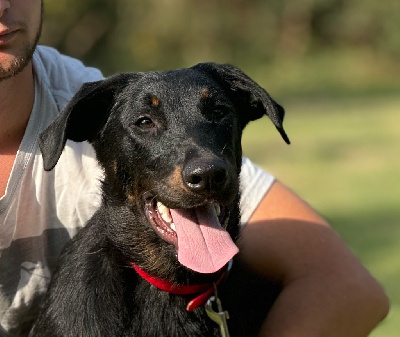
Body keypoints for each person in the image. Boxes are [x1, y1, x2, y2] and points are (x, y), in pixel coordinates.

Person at [0, 1, 389, 336]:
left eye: (217, 114)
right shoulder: (101, 107)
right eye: (145, 123)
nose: (204, 165)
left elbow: (351, 290)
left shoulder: (74, 89)